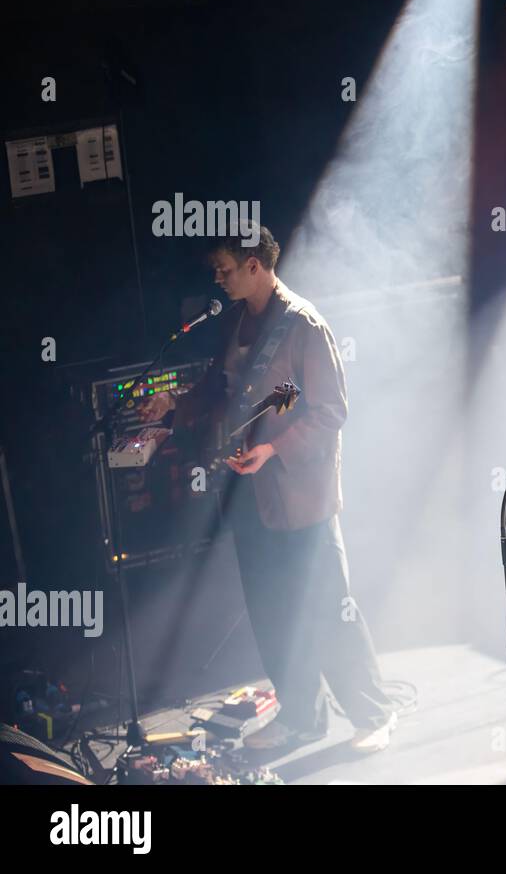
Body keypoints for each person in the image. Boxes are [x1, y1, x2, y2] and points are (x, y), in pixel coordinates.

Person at [140, 224, 394, 753]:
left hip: (300, 497)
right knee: (270, 606)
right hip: (250, 494)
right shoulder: (236, 320)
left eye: (225, 269)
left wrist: (274, 450)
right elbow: (218, 388)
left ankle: (373, 713)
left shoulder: (304, 325)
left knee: (327, 605)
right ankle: (301, 714)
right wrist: (171, 406)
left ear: (255, 265)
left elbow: (330, 411)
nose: (218, 278)